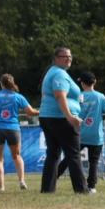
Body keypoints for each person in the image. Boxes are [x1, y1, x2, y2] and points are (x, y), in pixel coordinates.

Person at [38, 46, 87, 194]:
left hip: (48, 117)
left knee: (53, 154)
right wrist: (70, 117)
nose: (69, 59)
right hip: (60, 119)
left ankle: (47, 189)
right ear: (55, 58)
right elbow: (60, 96)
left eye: (70, 56)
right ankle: (81, 190)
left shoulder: (53, 72)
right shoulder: (59, 74)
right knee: (73, 154)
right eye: (65, 56)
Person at [57, 71, 105, 193]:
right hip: (96, 135)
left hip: (79, 133)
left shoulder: (79, 96)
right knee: (93, 162)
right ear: (95, 82)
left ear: (82, 84)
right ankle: (92, 187)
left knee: (69, 157)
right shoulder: (100, 96)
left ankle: (54, 177)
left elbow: (72, 111)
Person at [0, 73, 39, 192]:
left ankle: (1, 187)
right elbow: (30, 112)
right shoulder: (18, 97)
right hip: (13, 128)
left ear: (1, 83)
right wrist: (40, 111)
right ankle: (21, 180)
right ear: (12, 83)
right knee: (16, 156)